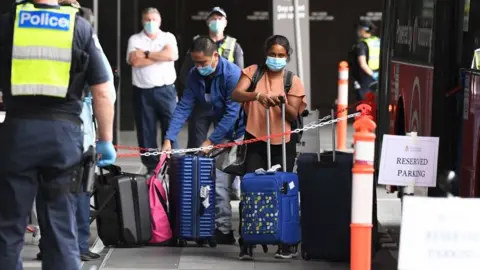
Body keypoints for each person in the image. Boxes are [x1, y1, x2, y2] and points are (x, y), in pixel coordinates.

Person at [0, 0, 116, 269]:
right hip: (63, 139)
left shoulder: (8, 24)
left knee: (9, 229)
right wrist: (106, 141)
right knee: (61, 229)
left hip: (18, 134)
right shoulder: (79, 27)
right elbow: (103, 90)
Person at [33, 2, 117, 262]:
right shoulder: (85, 38)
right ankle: (77, 245)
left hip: (32, 126)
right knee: (79, 189)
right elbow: (104, 90)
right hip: (74, 129)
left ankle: (49, 245)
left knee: (43, 192)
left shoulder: (31, 35)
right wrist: (106, 139)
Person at [161, 36, 244, 245]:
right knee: (210, 174)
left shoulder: (232, 75)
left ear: (215, 56)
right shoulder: (193, 75)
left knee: (223, 178)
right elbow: (183, 107)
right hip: (213, 122)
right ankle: (210, 225)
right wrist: (169, 138)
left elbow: (232, 114)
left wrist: (212, 140)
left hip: (237, 130)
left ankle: (225, 229)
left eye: (203, 63)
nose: (199, 67)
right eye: (195, 63)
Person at [231, 35, 307, 260]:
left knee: (283, 190)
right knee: (250, 189)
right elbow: (236, 94)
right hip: (255, 138)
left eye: (281, 55)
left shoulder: (292, 80)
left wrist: (282, 101)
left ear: (287, 56)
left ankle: (286, 242)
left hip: (283, 141)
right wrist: (257, 96)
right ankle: (247, 241)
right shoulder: (253, 72)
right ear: (266, 54)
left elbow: (294, 114)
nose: (276, 58)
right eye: (273, 54)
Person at [127, 7, 179, 173]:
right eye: (147, 20)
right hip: (143, 92)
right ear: (142, 21)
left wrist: (147, 54)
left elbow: (171, 55)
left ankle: (173, 165)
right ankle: (151, 167)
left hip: (166, 91)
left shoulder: (168, 37)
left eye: (153, 20)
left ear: (159, 21)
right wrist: (159, 56)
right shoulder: (135, 39)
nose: (150, 23)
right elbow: (135, 60)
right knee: (145, 131)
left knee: (171, 128)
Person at [349, 20, 381, 101]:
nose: (358, 31)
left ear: (363, 30)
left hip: (366, 78)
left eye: (359, 29)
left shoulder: (361, 45)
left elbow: (362, 64)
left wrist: (373, 75)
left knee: (364, 105)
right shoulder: (378, 41)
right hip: (378, 75)